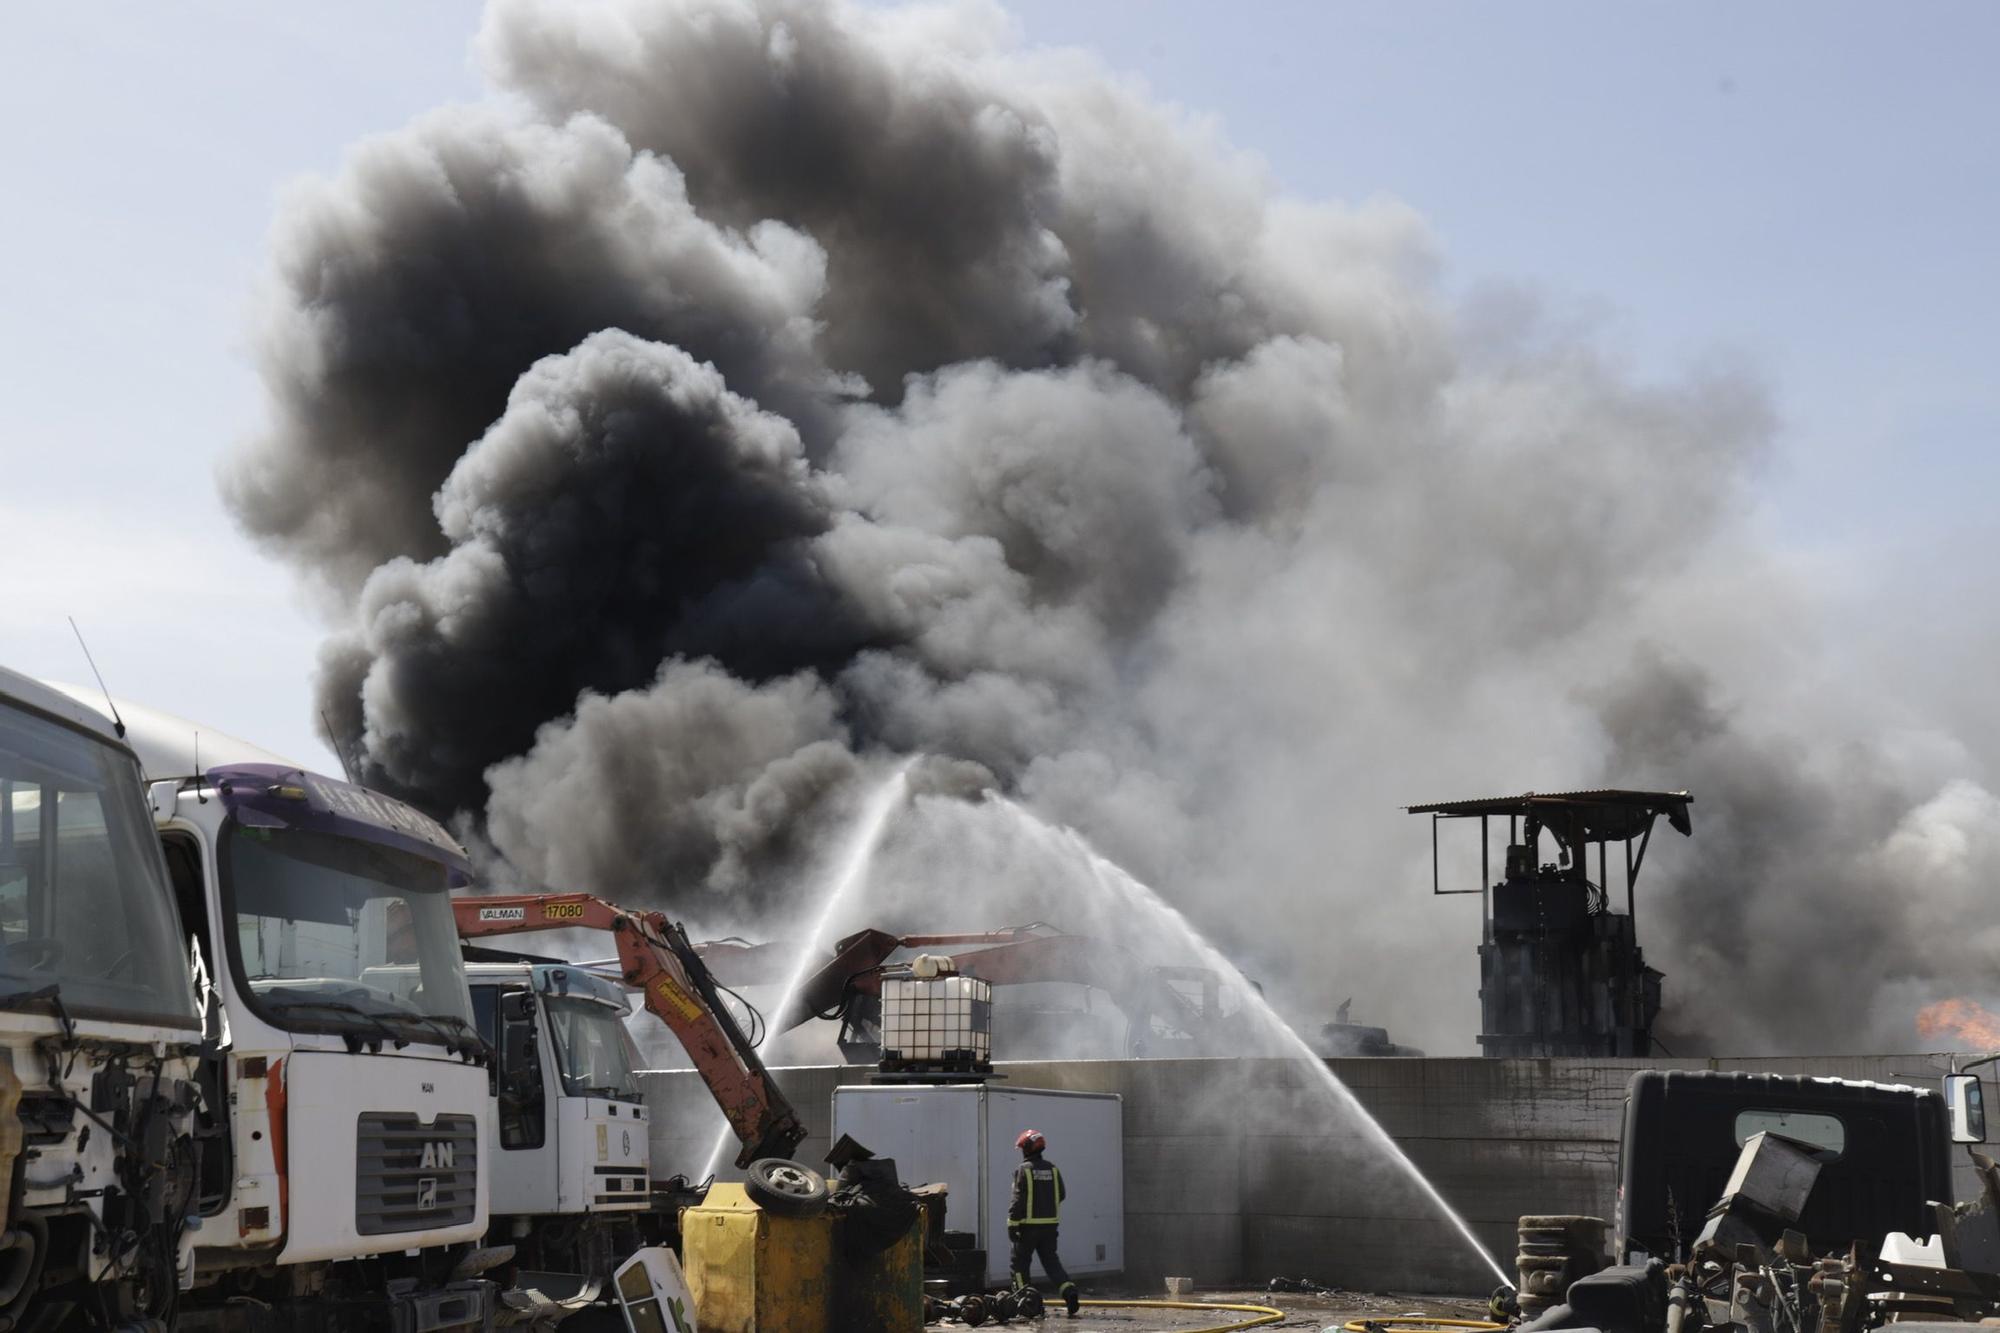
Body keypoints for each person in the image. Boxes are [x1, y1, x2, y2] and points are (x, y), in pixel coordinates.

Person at [1008, 1129, 1080, 1317]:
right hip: (1050, 1227)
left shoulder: (1023, 1170)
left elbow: (1017, 1200)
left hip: (1027, 1228)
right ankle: (1069, 1291)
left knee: (1019, 1264)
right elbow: (1061, 1194)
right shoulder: (1053, 1169)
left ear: (1026, 1149)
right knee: (1051, 1263)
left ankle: (1027, 1302)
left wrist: (1012, 1224)